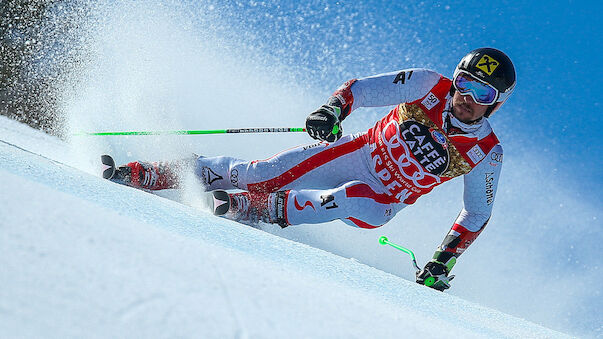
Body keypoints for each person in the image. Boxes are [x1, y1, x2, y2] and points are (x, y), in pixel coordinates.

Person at [114, 47, 516, 291]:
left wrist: (442, 261)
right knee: (263, 172)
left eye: (482, 93)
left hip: (383, 201)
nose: (465, 96)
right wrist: (331, 111)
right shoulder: (429, 84)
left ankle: (260, 209)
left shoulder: (486, 152)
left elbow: (477, 212)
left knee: (350, 197)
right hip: (356, 152)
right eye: (464, 81)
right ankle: (163, 173)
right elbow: (359, 89)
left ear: (497, 103)